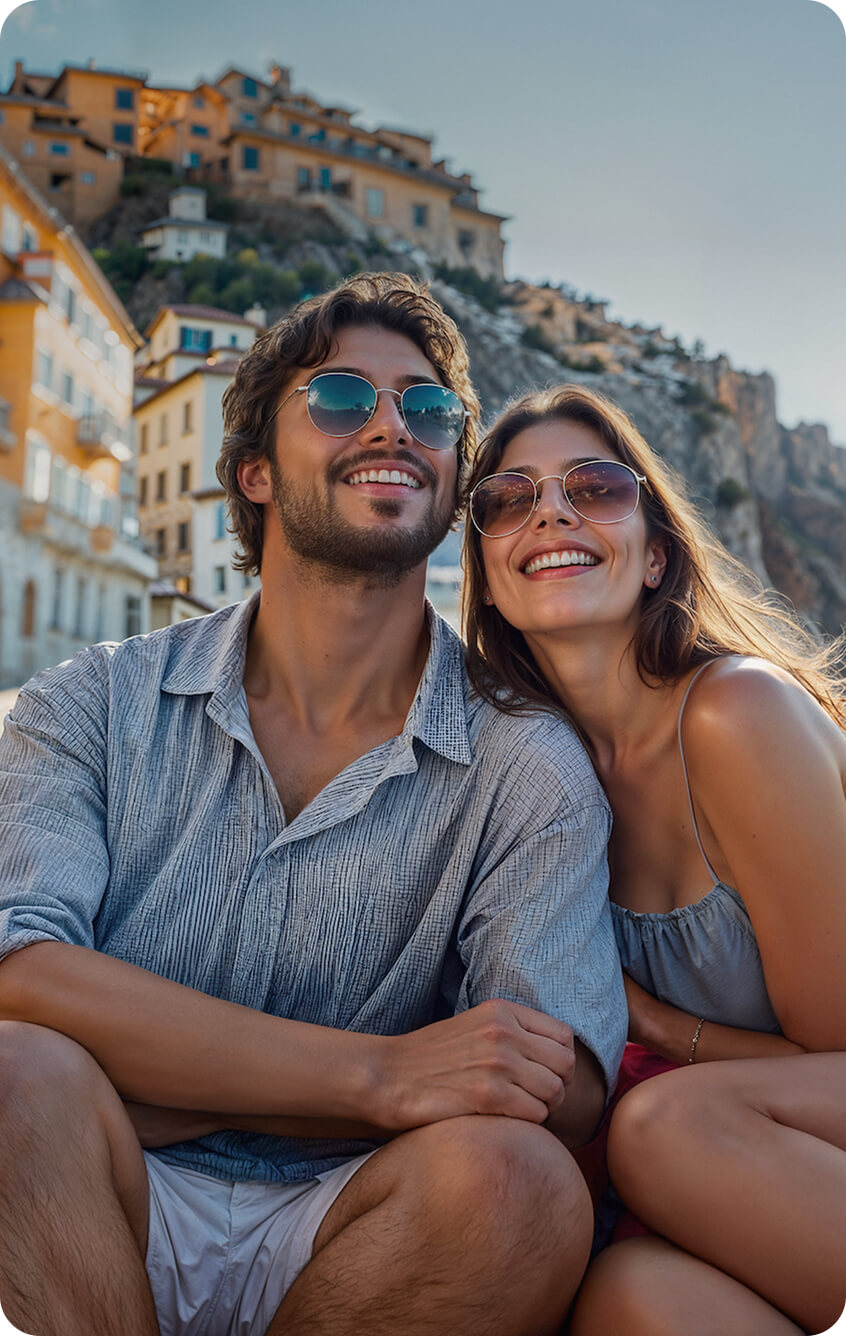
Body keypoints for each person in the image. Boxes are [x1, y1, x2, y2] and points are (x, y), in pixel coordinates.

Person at [0, 276, 627, 1336]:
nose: (391, 424)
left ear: (452, 475)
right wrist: (378, 1074)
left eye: (428, 411)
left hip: (366, 1220)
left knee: (520, 1185)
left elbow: (552, 1083)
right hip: (105, 1187)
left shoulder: (526, 761)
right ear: (253, 471)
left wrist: (169, 1069)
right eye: (342, 399)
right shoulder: (91, 702)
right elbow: (21, 975)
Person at [461, 383, 846, 1335]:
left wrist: (657, 1030)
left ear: (656, 555)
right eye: (508, 500)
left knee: (667, 1127)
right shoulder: (535, 783)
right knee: (632, 1302)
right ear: (491, 575)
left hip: (770, 1125)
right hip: (749, 1176)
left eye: (594, 487)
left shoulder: (735, 714)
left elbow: (837, 1051)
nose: (550, 509)